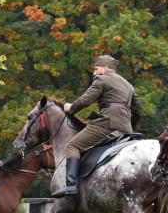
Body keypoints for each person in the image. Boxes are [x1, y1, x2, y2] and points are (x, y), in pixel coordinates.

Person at [53, 54, 143, 197]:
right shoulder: (128, 85)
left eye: (96, 69)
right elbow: (138, 111)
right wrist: (129, 127)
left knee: (72, 146)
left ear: (106, 68)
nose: (94, 73)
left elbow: (85, 100)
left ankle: (70, 185)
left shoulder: (102, 79)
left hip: (106, 125)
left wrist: (71, 108)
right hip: (126, 129)